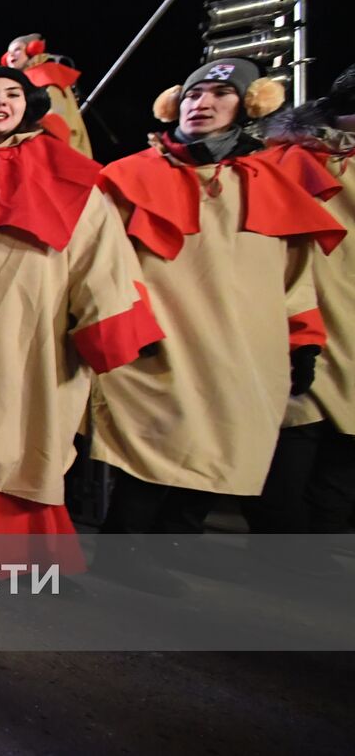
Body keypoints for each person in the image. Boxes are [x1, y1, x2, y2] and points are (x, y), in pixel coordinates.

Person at [0, 67, 163, 600]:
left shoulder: (72, 176)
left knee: (31, 442)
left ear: (32, 105)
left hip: (37, 334)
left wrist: (109, 325)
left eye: (12, 94)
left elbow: (101, 255)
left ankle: (24, 565)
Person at [90, 59, 344, 592]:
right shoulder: (129, 175)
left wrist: (304, 340)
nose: (200, 104)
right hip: (163, 332)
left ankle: (177, 540)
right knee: (152, 435)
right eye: (192, 94)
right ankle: (125, 546)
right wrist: (124, 320)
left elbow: (295, 273)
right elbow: (100, 259)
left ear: (248, 106)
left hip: (247, 339)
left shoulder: (269, 178)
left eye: (220, 94)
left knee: (231, 435)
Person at [243, 67, 355, 555]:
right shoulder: (286, 159)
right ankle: (282, 543)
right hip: (300, 305)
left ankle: (319, 541)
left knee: (344, 439)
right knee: (295, 420)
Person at [4, 33, 92, 157]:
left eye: (17, 49)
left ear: (33, 49)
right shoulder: (23, 82)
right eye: (8, 53)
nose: (11, 55)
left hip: (58, 151)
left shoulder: (45, 77)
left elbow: (55, 120)